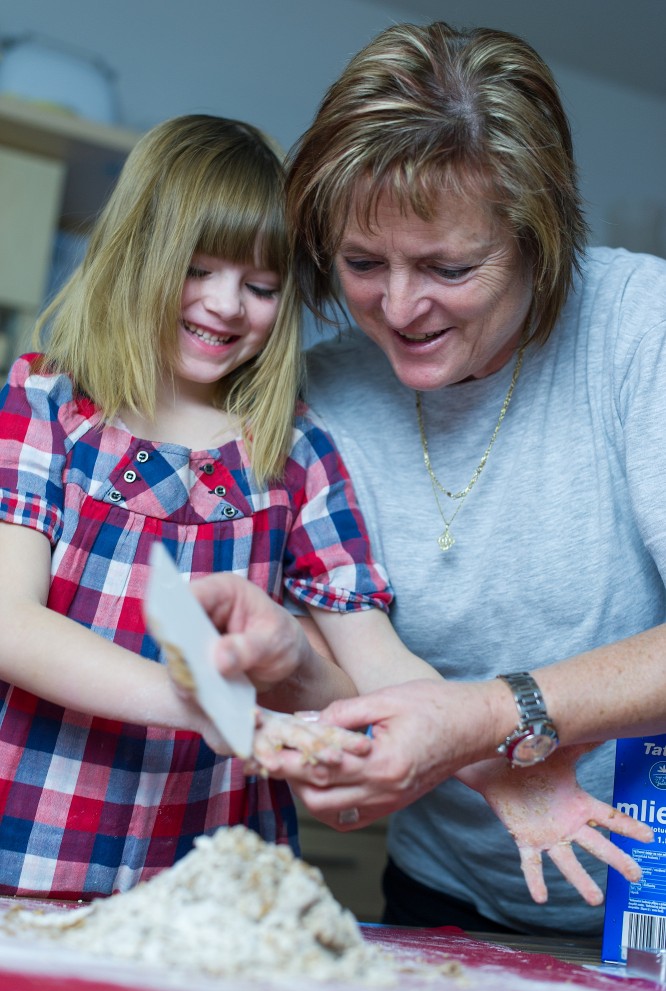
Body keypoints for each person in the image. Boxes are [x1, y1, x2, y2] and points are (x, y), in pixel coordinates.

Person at [200, 21, 666, 938]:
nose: (401, 308)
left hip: (650, 884)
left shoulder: (641, 331)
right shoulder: (321, 397)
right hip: (445, 887)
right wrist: (301, 679)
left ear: (539, 240)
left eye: (450, 268)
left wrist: (496, 713)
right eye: (364, 265)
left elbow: (459, 713)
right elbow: (365, 669)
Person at [0, 113, 419, 900]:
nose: (228, 306)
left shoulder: (297, 456)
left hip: (215, 885)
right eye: (199, 269)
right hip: (25, 855)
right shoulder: (45, 403)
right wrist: (205, 704)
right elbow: (8, 623)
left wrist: (493, 750)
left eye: (261, 286)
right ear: (139, 253)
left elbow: (378, 679)